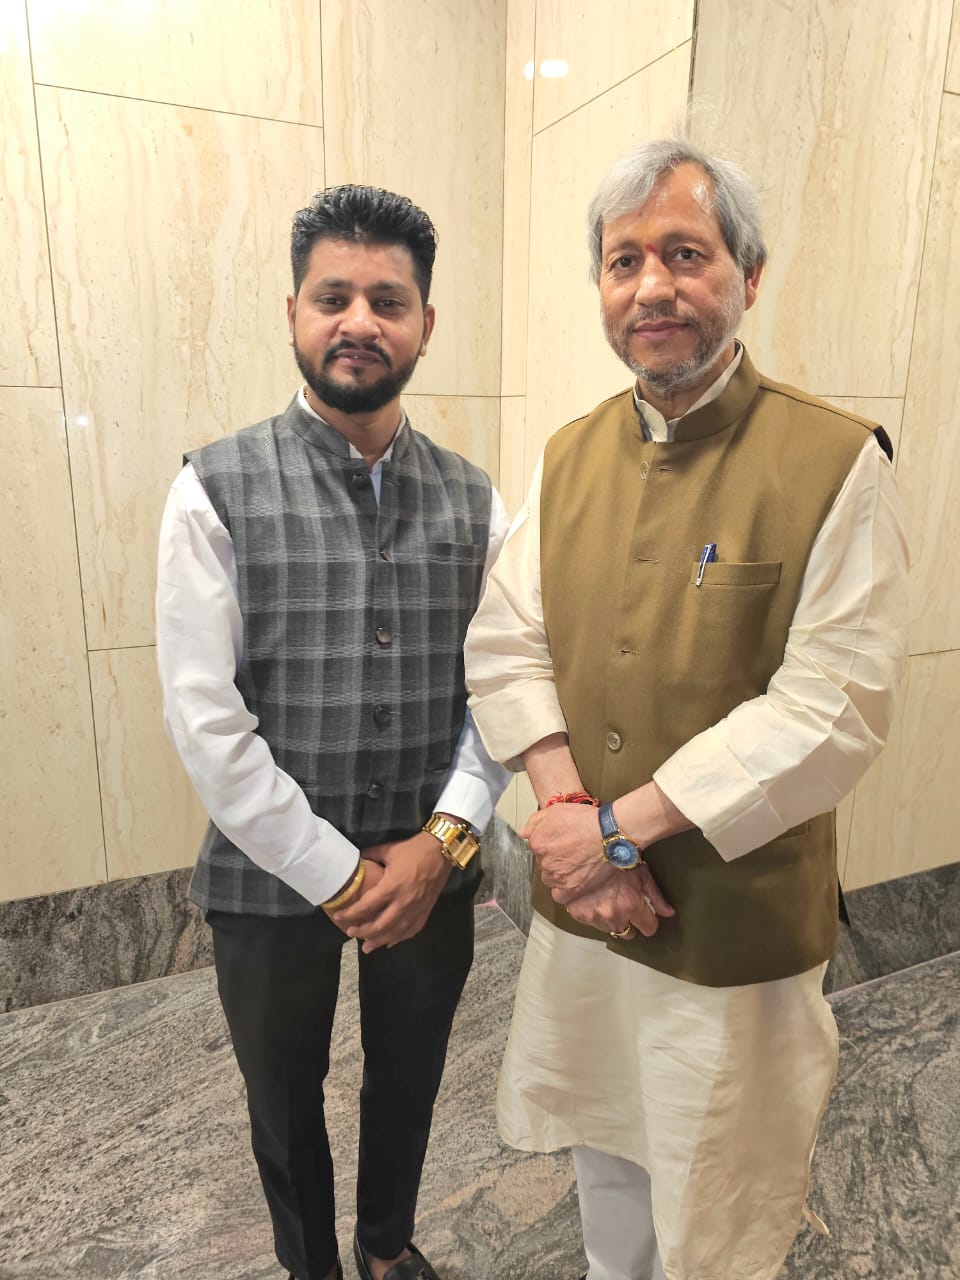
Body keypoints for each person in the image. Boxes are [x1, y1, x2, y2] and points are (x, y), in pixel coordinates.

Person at [463, 137, 909, 1280]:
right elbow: (508, 640)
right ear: (601, 287)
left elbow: (833, 705)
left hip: (729, 919)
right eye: (625, 261)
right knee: (606, 1149)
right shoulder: (567, 455)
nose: (652, 285)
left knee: (721, 1186)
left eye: (685, 253)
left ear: (748, 275)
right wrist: (574, 822)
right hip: (590, 905)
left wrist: (618, 833)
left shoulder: (834, 459)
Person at [156, 184, 508, 1280]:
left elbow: (503, 690)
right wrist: (333, 870)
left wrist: (445, 840)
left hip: (430, 863)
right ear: (294, 314)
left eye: (388, 301)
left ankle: (386, 1246)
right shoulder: (212, 488)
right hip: (266, 875)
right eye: (334, 297)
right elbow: (205, 717)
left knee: (412, 1071)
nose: (360, 321)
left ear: (425, 324)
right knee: (283, 1095)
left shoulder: (479, 501)